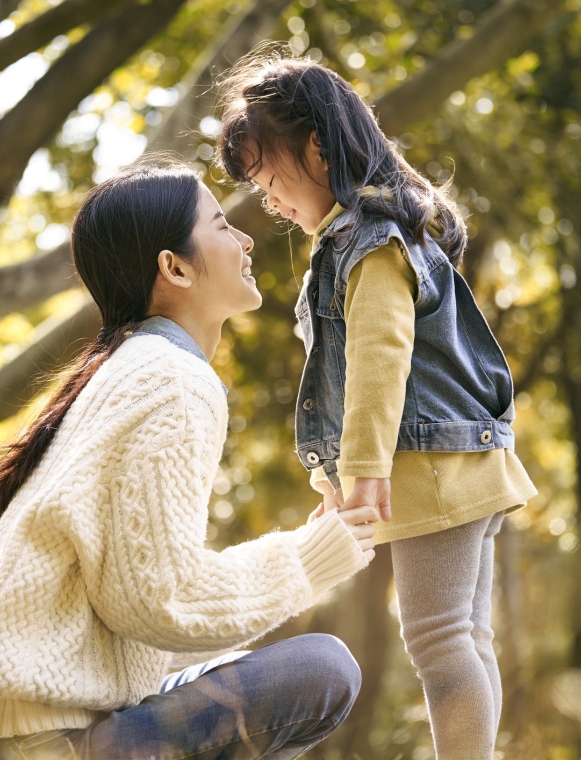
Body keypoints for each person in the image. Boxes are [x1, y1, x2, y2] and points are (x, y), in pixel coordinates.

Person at [0, 158, 380, 760]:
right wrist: (311, 556)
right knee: (322, 669)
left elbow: (135, 610)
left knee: (256, 670)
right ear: (175, 266)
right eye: (221, 225)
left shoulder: (126, 369)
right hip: (36, 742)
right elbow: (157, 602)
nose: (244, 240)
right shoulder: (173, 380)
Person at [216, 51, 538, 760]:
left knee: (439, 641)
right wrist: (334, 484)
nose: (269, 201)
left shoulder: (370, 242)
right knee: (465, 636)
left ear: (318, 148)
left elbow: (378, 360)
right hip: (460, 461)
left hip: (427, 467)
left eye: (270, 179)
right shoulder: (378, 234)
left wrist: (363, 474)